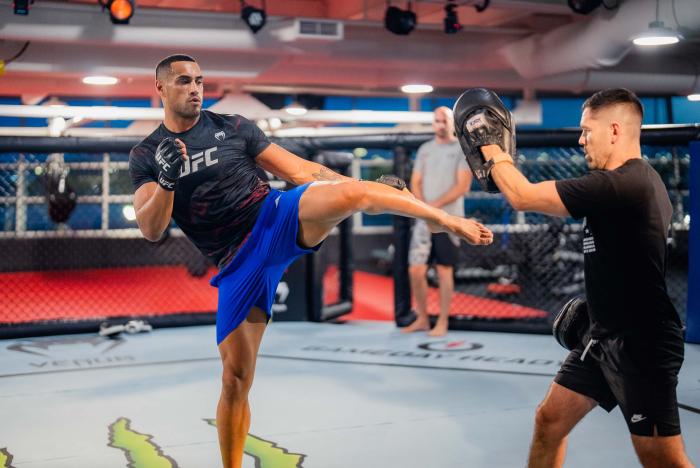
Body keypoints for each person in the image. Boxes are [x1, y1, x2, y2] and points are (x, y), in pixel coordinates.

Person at [129, 54, 494, 468]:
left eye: (199, 80)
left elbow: (302, 171)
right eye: (182, 81)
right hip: (236, 264)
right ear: (160, 88)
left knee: (354, 194)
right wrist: (166, 181)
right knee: (235, 380)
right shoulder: (146, 154)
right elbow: (152, 228)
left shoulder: (233, 127)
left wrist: (352, 183)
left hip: (276, 218)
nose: (194, 88)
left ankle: (445, 220)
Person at [454, 87, 692, 468]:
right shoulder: (621, 184)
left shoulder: (624, 183)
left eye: (586, 130)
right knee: (549, 421)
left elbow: (523, 196)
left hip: (642, 346)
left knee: (663, 461)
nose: (580, 140)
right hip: (602, 337)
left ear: (614, 130)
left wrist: (489, 145)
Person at [401, 106, 472, 336]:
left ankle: (442, 321)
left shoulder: (461, 150)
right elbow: (415, 181)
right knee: (416, 270)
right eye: (437, 120)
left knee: (444, 270)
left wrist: (436, 209)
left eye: (444, 120)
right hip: (424, 219)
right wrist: (424, 208)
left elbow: (462, 186)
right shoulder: (425, 149)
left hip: (448, 220)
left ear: (452, 122)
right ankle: (422, 318)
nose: (440, 124)